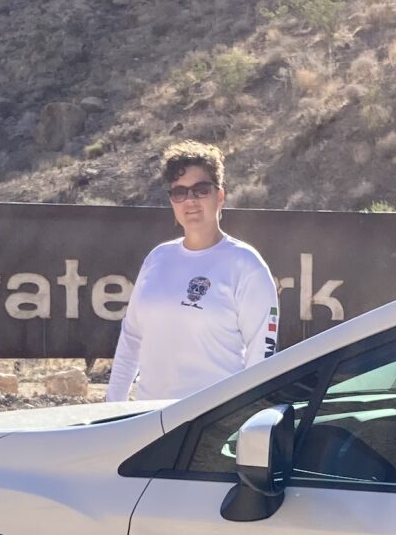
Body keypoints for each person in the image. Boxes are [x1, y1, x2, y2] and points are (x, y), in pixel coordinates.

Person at [105, 140, 280, 402]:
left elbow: (261, 357)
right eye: (180, 192)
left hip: (210, 425)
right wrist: (112, 408)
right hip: (147, 422)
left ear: (220, 196)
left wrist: (240, 421)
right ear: (172, 201)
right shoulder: (157, 259)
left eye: (201, 190)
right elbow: (131, 339)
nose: (190, 201)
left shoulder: (246, 265)